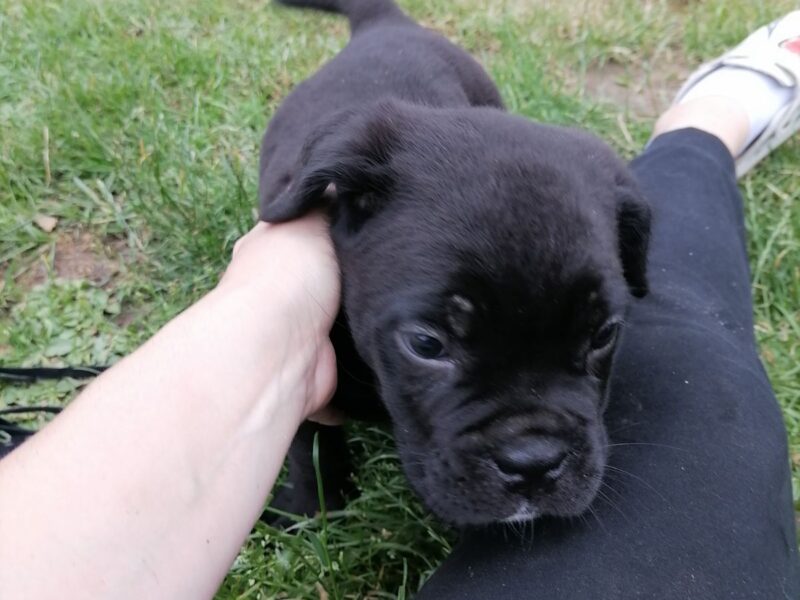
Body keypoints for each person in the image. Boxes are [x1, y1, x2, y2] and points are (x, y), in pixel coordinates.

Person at [0, 10, 798, 600]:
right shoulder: (342, 197)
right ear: (334, 207)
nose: (529, 454)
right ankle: (704, 132)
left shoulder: (571, 191)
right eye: (433, 343)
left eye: (592, 342)